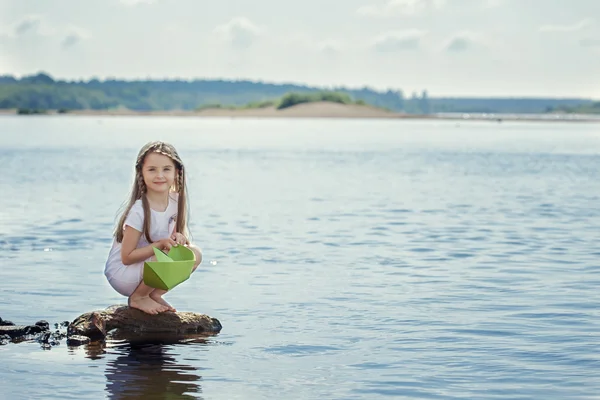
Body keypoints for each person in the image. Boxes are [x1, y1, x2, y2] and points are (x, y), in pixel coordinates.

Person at [104, 141, 202, 315]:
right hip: (123, 273)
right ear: (141, 173)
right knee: (163, 256)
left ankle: (153, 294)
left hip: (148, 270)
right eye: (152, 169)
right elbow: (127, 257)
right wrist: (159, 245)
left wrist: (179, 238)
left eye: (166, 169)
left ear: (177, 172)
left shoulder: (176, 201)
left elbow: (173, 240)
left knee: (195, 254)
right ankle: (138, 297)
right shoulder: (139, 211)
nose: (159, 175)